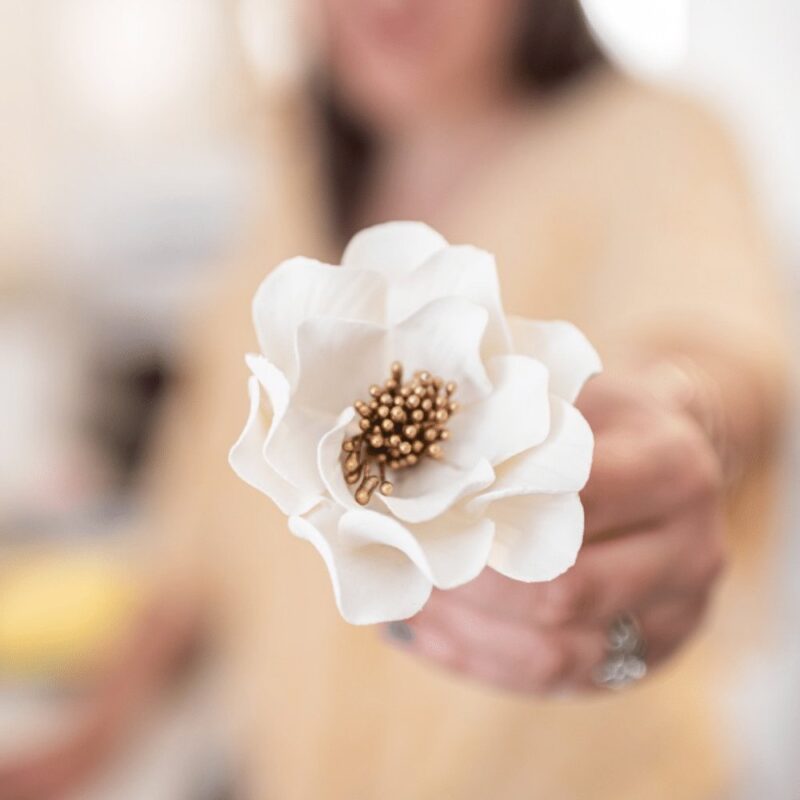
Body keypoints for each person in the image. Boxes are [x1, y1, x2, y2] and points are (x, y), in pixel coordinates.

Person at [0, 0, 789, 797]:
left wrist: (676, 425)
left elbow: (712, 344)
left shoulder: (658, 142)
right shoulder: (292, 171)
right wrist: (96, 734)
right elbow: (202, 510)